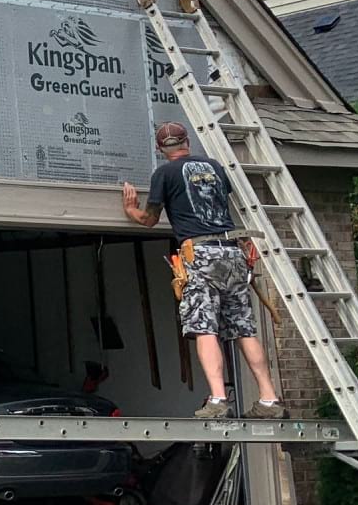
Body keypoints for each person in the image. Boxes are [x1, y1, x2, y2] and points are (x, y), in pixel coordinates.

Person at [121, 121, 285, 419]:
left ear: (160, 148)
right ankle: (269, 399)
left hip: (200, 253)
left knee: (203, 326)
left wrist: (132, 209)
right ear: (187, 142)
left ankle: (218, 399)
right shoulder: (215, 167)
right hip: (232, 251)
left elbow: (149, 219)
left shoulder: (164, 174)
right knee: (244, 327)